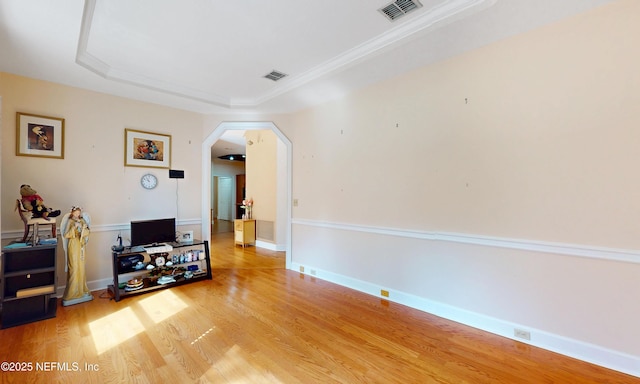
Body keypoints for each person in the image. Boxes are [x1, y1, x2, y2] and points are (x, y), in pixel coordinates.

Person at [62, 206, 93, 306]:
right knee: (74, 268)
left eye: (79, 213)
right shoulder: (70, 221)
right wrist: (74, 227)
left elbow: (88, 232)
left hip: (81, 246)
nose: (77, 215)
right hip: (73, 246)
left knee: (81, 268)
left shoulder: (82, 220)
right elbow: (66, 235)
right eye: (76, 213)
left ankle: (82, 290)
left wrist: (83, 229)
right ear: (72, 213)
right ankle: (72, 293)